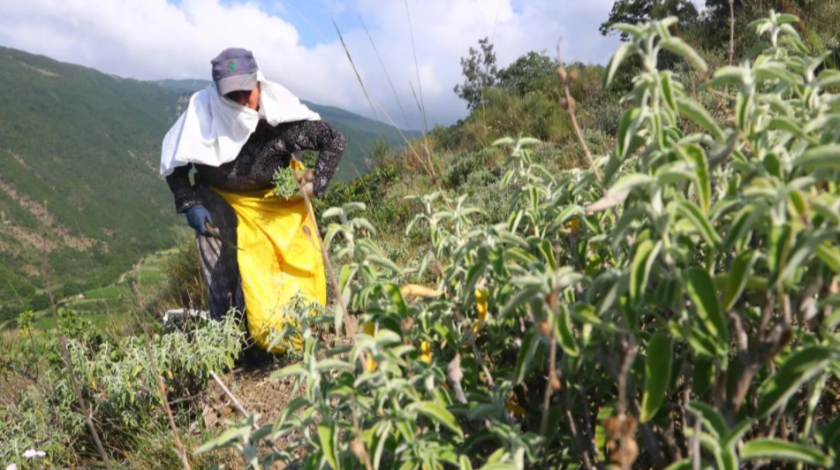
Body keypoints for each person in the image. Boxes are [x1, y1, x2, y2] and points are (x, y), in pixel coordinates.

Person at [159, 48, 345, 351]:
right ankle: (226, 348)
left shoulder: (280, 118)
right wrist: (190, 202)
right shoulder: (203, 113)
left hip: (273, 204)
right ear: (219, 94)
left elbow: (333, 140)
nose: (244, 101)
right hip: (218, 201)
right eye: (233, 95)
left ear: (258, 82)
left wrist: (316, 182)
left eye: (248, 90)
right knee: (221, 278)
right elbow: (175, 163)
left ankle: (277, 342)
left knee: (273, 276)